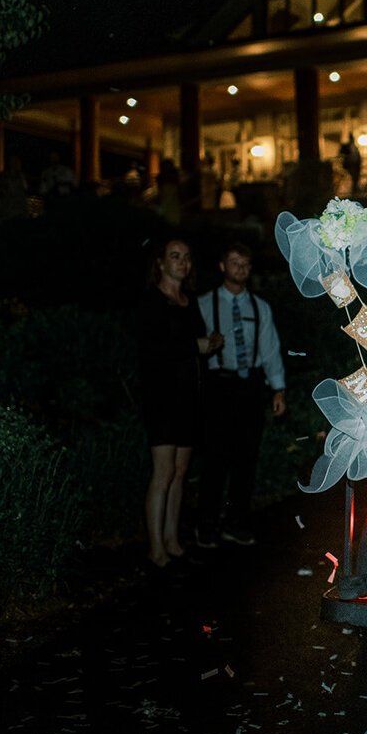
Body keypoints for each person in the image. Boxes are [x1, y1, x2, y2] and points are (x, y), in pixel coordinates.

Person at [135, 238, 224, 567]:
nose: (182, 262)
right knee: (162, 472)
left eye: (186, 257)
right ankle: (155, 546)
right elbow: (154, 349)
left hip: (189, 396)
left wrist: (210, 342)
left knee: (180, 471)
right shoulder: (150, 302)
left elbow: (194, 342)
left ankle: (171, 538)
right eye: (174, 256)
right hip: (161, 396)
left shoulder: (189, 301)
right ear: (160, 263)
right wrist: (195, 345)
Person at [195, 241, 287, 547]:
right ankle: (206, 524)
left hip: (249, 388)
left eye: (246, 264)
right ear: (222, 267)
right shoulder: (204, 304)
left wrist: (278, 389)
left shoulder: (260, 308)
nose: (241, 269)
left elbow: (271, 349)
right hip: (217, 385)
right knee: (215, 458)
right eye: (235, 263)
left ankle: (235, 522)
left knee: (245, 459)